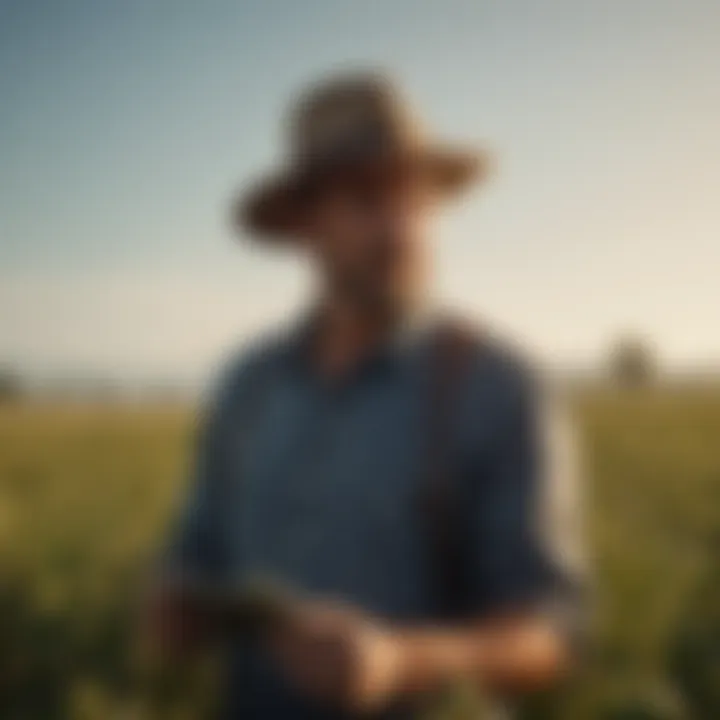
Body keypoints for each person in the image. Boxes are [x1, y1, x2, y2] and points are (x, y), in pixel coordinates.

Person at [147, 71, 587, 719]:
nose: (399, 227)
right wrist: (179, 607)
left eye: (412, 199)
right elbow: (199, 552)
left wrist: (403, 662)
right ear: (305, 225)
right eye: (365, 200)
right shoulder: (248, 385)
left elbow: (552, 635)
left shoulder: (498, 388)